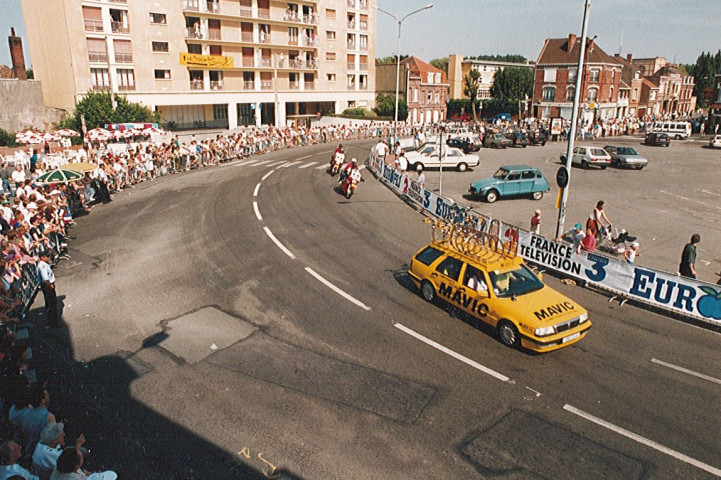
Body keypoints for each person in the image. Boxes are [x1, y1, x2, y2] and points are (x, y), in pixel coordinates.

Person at [37, 250, 59, 328]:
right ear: (42, 257)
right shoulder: (42, 266)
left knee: (52, 303)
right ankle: (52, 323)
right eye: (47, 256)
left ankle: (53, 321)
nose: (49, 257)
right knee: (51, 304)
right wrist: (50, 285)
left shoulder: (44, 264)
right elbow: (45, 278)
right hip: (47, 286)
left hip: (48, 285)